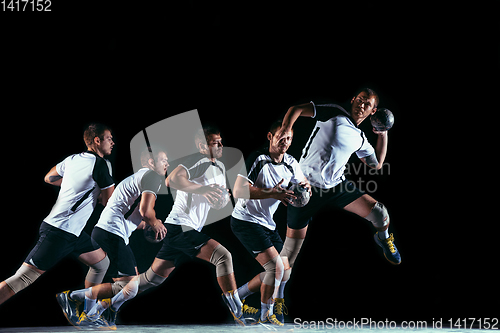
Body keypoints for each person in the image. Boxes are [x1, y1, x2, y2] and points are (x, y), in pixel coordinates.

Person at [82, 125, 249, 326]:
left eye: (221, 140)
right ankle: (238, 309)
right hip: (181, 227)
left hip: (183, 229)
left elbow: (214, 196)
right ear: (202, 146)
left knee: (146, 281)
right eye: (215, 142)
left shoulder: (218, 168)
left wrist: (220, 199)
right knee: (224, 257)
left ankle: (103, 307)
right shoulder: (199, 160)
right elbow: (173, 179)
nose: (221, 145)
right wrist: (204, 190)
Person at [274, 88, 401, 319]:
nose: (362, 104)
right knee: (289, 254)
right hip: (305, 188)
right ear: (353, 100)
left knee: (380, 213)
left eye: (367, 103)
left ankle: (383, 238)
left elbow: (377, 164)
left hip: (335, 188)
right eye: (359, 99)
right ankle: (277, 300)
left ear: (373, 111)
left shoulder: (361, 138)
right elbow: (296, 109)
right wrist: (286, 128)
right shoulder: (333, 112)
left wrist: (382, 133)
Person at [0, 124, 115, 306]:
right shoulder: (100, 165)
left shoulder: (72, 159)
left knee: (101, 264)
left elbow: (49, 177)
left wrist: (73, 185)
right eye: (109, 138)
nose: (113, 142)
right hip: (59, 231)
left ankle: (86, 312)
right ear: (97, 140)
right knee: (21, 279)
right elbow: (109, 203)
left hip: (74, 233)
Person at [56, 146, 169, 329]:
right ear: (150, 162)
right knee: (131, 285)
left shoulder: (138, 178)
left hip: (108, 231)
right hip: (110, 232)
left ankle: (95, 312)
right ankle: (76, 300)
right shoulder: (152, 176)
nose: (166, 164)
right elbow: (145, 211)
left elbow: (136, 218)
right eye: (163, 160)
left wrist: (150, 223)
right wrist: (154, 221)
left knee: (129, 287)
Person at [231, 120, 310, 326]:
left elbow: (302, 184)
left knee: (285, 270)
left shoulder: (291, 162)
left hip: (267, 224)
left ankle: (236, 296)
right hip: (245, 220)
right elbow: (238, 190)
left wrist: (305, 189)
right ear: (270, 137)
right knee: (275, 268)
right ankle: (266, 313)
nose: (285, 141)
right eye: (281, 136)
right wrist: (272, 192)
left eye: (289, 138)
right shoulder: (258, 159)